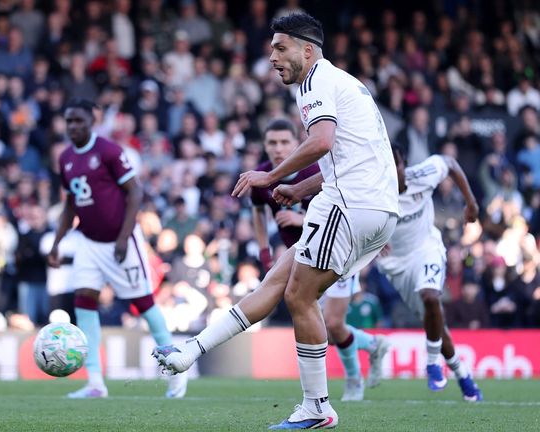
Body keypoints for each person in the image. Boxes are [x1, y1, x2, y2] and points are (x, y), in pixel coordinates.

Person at [154, 13, 399, 429]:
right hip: (374, 207)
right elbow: (349, 157)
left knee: (299, 297)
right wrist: (301, 190)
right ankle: (189, 352)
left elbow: (321, 142)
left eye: (280, 47)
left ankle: (317, 407)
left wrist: (271, 175)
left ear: (308, 49)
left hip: (350, 204)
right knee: (277, 281)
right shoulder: (346, 82)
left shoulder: (315, 81)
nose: (272, 57)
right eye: (271, 48)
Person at [49, 99, 188, 399]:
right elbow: (70, 204)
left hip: (120, 240)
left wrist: (124, 237)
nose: (73, 126)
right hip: (88, 241)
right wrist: (57, 243)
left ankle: (177, 371)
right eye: (68, 121)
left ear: (92, 120)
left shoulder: (109, 151)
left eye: (78, 121)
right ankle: (95, 382)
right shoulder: (66, 159)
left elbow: (135, 191)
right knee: (84, 301)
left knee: (144, 303)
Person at [251, 118, 389, 402]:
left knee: (333, 323)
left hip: (336, 252)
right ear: (265, 146)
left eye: (284, 142)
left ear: (297, 142)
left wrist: (299, 218)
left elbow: (344, 207)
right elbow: (258, 212)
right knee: (324, 324)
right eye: (272, 143)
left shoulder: (318, 171)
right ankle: (372, 344)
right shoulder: (264, 176)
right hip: (302, 260)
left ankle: (353, 382)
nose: (278, 149)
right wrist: (264, 249)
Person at [375, 147, 483, 401]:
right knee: (435, 322)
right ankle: (463, 373)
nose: (393, 170)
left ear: (405, 165)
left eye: (397, 164)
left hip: (427, 249)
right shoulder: (374, 190)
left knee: (431, 297)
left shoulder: (422, 174)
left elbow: (450, 163)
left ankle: (433, 362)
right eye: (387, 165)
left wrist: (471, 202)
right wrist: (373, 240)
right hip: (396, 265)